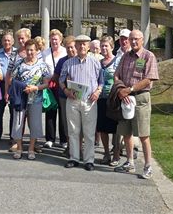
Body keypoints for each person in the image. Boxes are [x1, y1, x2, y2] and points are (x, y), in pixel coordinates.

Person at [113, 29, 159, 179]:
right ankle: (129, 161)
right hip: (125, 98)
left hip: (140, 98)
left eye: (136, 39)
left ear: (142, 40)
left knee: (143, 134)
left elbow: (149, 79)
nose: (133, 42)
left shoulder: (148, 56)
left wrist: (130, 89)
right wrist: (121, 89)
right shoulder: (126, 56)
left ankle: (147, 166)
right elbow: (116, 75)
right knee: (126, 132)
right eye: (131, 39)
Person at [59, 34, 103, 171]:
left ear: (89, 46)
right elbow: (61, 80)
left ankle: (89, 160)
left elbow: (101, 81)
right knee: (73, 131)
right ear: (76, 46)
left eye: (84, 44)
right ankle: (74, 157)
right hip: (73, 100)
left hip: (89, 100)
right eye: (79, 44)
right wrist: (66, 91)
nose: (82, 46)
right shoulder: (68, 63)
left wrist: (98, 92)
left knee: (89, 132)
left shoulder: (96, 62)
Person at [6, 39, 51, 160]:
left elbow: (47, 83)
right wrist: (21, 86)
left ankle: (31, 148)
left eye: (32, 50)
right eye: (28, 50)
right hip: (21, 98)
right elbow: (11, 80)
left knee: (35, 124)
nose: (30, 52)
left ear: (37, 51)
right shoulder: (19, 64)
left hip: (36, 99)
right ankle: (19, 148)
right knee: (18, 124)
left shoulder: (42, 65)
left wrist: (35, 87)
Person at [6, 28, 31, 151]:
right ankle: (15, 140)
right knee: (16, 116)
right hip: (16, 90)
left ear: (28, 38)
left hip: (32, 90)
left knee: (31, 117)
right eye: (19, 38)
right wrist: (7, 91)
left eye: (23, 38)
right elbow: (8, 73)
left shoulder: (35, 52)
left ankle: (33, 143)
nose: (21, 41)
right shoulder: (14, 54)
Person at [41, 29, 67, 149]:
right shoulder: (45, 53)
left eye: (56, 39)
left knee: (63, 112)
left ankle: (63, 139)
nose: (54, 41)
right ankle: (50, 138)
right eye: (52, 39)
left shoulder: (65, 52)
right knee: (50, 111)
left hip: (62, 84)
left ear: (60, 40)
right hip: (49, 85)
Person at [96, 36, 119, 165]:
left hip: (113, 99)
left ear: (112, 47)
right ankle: (106, 153)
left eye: (106, 46)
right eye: (102, 46)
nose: (104, 48)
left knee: (115, 129)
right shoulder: (98, 63)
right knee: (102, 128)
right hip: (101, 99)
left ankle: (115, 153)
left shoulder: (117, 62)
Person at [53, 35, 76, 156]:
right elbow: (56, 77)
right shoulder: (62, 61)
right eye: (68, 48)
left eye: (72, 47)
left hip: (79, 96)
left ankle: (78, 147)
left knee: (78, 122)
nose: (71, 50)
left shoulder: (81, 60)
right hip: (64, 95)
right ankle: (69, 146)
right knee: (66, 122)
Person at [0, 33, 16, 142]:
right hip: (0, 84)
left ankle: (13, 136)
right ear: (2, 42)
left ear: (12, 42)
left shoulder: (17, 53)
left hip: (14, 85)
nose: (6, 42)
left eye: (8, 40)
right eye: (4, 40)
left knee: (13, 111)